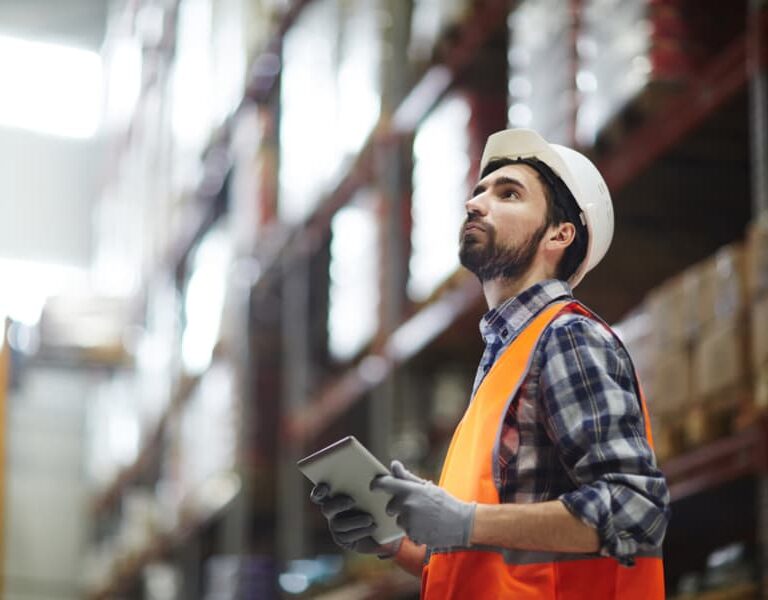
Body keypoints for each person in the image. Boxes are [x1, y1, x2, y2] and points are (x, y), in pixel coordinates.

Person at [309, 128, 670, 598]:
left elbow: (634, 509)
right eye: (479, 191)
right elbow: (485, 564)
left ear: (560, 234)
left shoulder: (568, 338)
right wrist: (395, 541)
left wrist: (465, 519)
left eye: (509, 194)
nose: (476, 204)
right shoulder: (504, 363)